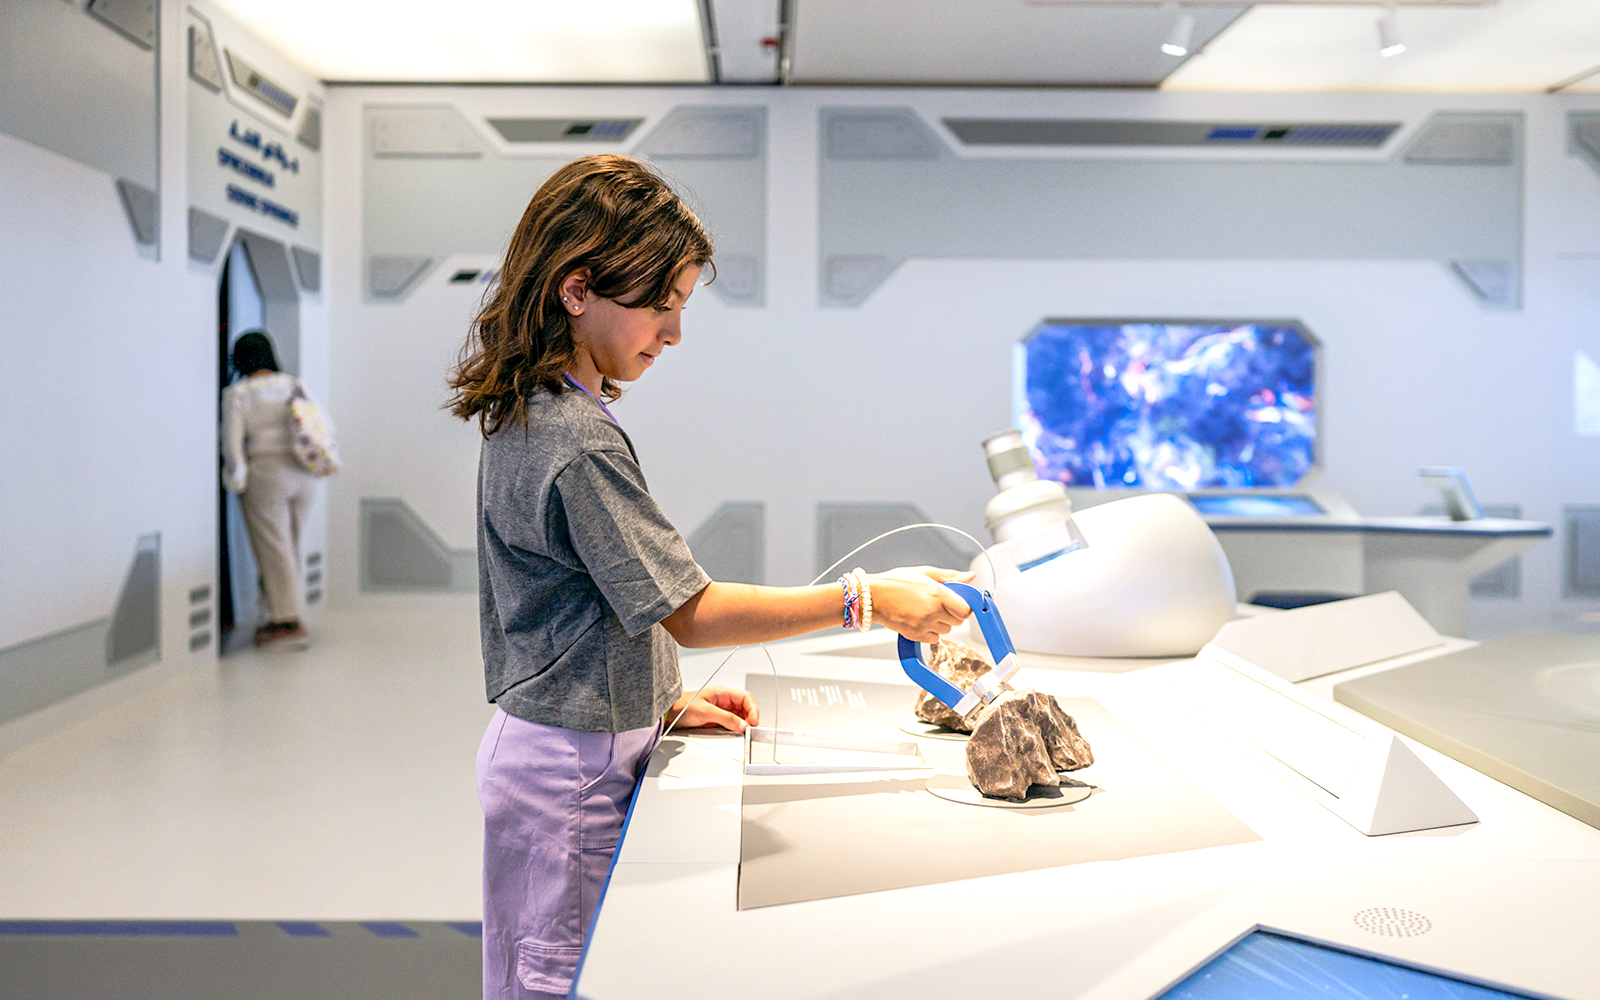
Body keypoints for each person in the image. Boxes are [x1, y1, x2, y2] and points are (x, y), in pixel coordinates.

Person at [447, 154, 975, 1000]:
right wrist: (869, 601)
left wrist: (658, 698)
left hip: (569, 743)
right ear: (577, 289)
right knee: (557, 982)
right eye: (660, 305)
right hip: (570, 774)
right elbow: (692, 613)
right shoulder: (576, 439)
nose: (674, 333)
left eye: (681, 306)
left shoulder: (536, 409)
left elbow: (585, 606)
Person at [221, 331, 316, 648]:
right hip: (303, 472)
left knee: (274, 550)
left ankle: (286, 621)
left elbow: (233, 446)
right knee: (290, 546)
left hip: (266, 474)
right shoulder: (293, 384)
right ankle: (278, 613)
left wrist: (235, 479)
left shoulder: (239, 393)